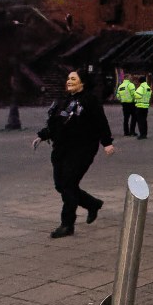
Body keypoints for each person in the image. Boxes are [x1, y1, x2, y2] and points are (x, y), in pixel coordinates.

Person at [35, 69, 115, 239]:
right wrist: (43, 135)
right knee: (60, 185)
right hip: (61, 149)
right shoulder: (64, 100)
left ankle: (67, 224)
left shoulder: (90, 100)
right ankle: (92, 204)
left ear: (82, 83)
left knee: (69, 184)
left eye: (73, 79)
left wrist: (107, 143)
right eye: (68, 79)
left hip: (82, 149)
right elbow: (57, 123)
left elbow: (101, 122)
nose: (69, 81)